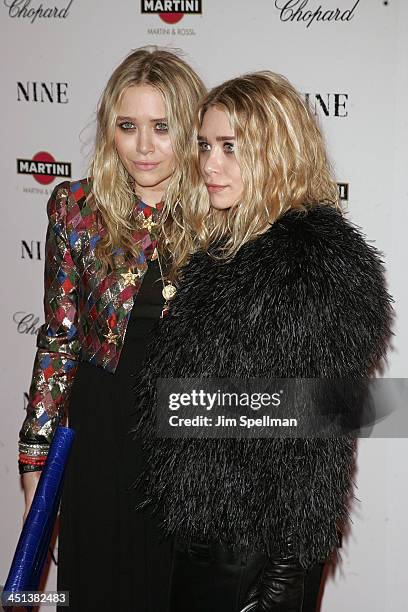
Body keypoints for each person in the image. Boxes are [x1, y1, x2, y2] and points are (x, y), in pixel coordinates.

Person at [131, 72, 393, 611]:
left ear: (277, 151)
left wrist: (283, 574)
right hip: (203, 533)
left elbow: (317, 434)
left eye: (231, 147)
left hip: (256, 550)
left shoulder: (315, 265)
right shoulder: (225, 250)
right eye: (204, 145)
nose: (208, 164)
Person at [18, 46, 206, 611]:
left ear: (191, 128)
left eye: (162, 127)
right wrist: (36, 461)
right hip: (102, 440)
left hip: (190, 441)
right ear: (110, 129)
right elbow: (59, 341)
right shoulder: (74, 207)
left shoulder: (220, 213)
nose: (144, 146)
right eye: (128, 126)